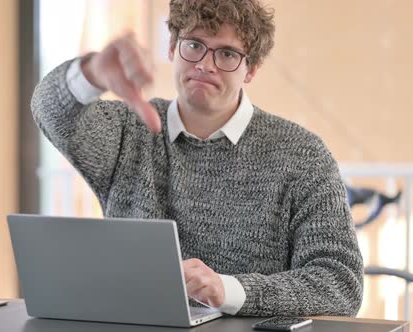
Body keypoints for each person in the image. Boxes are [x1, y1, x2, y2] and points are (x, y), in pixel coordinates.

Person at [31, 0, 363, 317]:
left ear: (252, 69)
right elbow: (50, 109)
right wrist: (90, 73)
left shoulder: (303, 155)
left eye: (228, 53)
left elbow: (340, 282)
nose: (205, 64)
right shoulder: (128, 130)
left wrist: (228, 290)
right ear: (173, 47)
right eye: (194, 46)